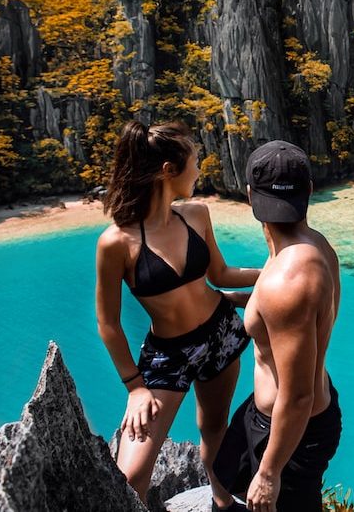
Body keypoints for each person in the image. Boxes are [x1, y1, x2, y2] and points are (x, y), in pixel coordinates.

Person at [94, 120, 261, 510]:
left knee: (214, 429)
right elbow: (108, 323)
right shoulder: (116, 242)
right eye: (195, 161)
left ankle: (221, 502)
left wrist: (277, 267)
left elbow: (220, 275)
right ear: (169, 171)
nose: (200, 170)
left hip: (222, 334)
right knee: (132, 475)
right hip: (167, 358)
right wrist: (135, 387)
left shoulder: (197, 214)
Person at [213, 140, 342, 512]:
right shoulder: (312, 247)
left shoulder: (289, 280)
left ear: (251, 195)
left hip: (293, 428)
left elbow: (298, 394)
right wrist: (230, 299)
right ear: (310, 191)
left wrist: (270, 473)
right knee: (223, 469)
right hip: (274, 412)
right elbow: (286, 316)